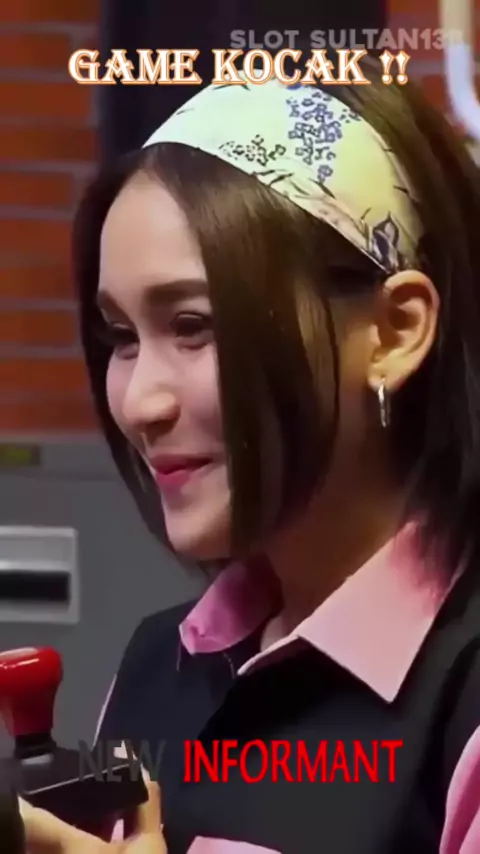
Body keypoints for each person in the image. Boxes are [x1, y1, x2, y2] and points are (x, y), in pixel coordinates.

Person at [21, 56, 480, 852]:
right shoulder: (159, 665)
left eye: (193, 326)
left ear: (394, 331)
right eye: (121, 337)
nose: (139, 403)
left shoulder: (459, 694)